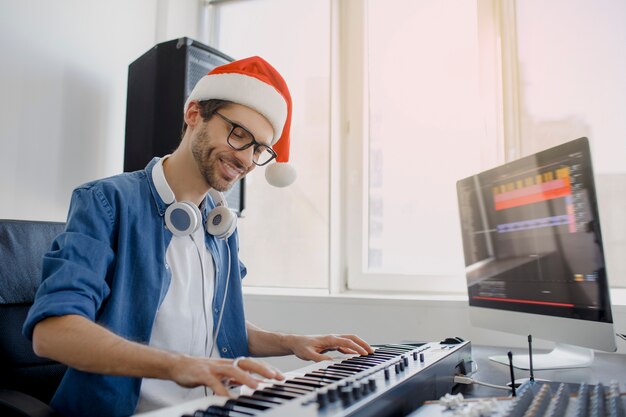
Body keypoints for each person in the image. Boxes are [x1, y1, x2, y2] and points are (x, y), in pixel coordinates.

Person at [23, 56, 374, 417]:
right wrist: (179, 365)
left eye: (259, 149)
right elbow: (53, 333)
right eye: (239, 134)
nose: (247, 159)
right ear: (194, 114)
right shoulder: (107, 202)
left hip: (212, 408)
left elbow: (218, 323)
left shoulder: (219, 223)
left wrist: (291, 342)